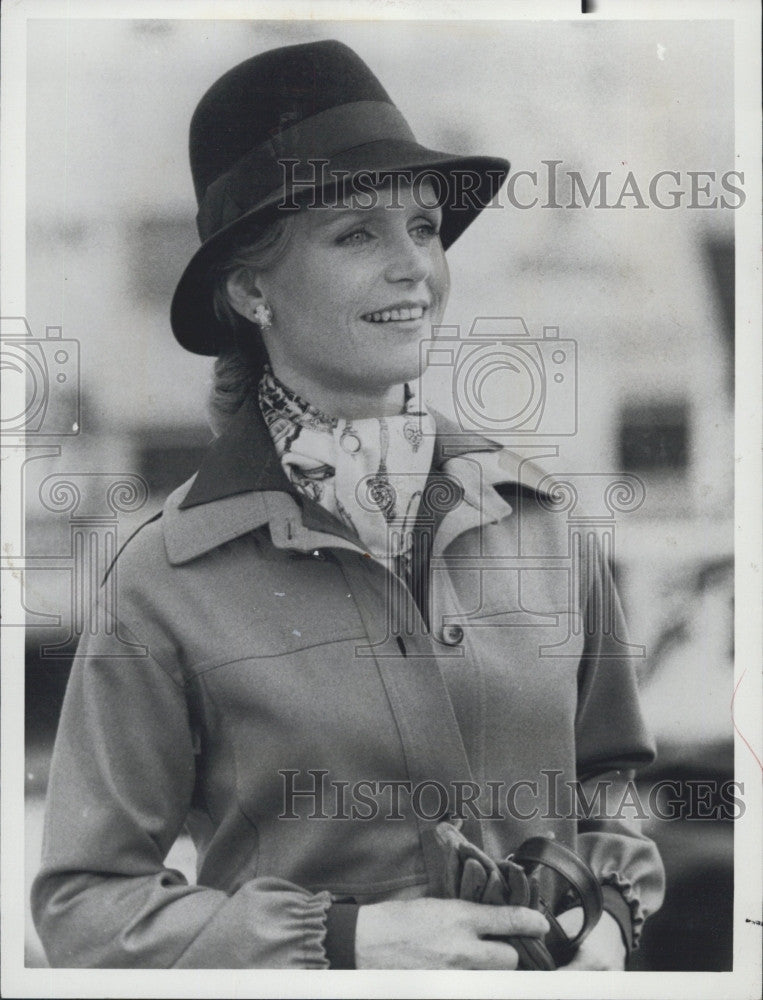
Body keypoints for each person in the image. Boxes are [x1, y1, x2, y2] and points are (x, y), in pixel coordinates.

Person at [31, 39, 664, 970]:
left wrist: (610, 907)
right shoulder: (163, 580)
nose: (415, 266)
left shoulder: (539, 519)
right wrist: (344, 939)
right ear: (251, 290)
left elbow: (611, 778)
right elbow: (84, 906)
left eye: (421, 225)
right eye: (356, 234)